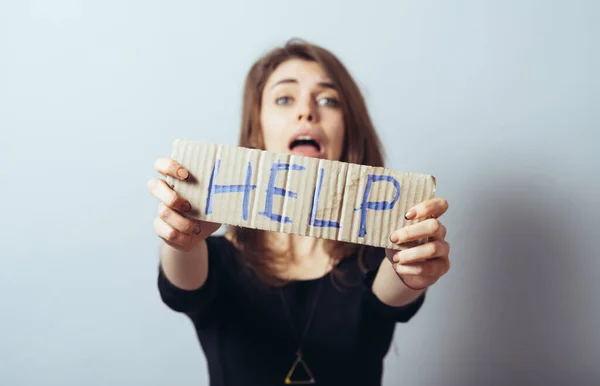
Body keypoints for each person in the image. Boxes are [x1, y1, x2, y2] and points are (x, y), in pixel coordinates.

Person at [147, 39, 451, 386]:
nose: (307, 112)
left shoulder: (375, 257)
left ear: (347, 131)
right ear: (257, 131)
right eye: (284, 99)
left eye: (328, 100)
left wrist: (412, 262)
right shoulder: (217, 257)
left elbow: (396, 285)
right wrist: (180, 235)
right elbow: (183, 275)